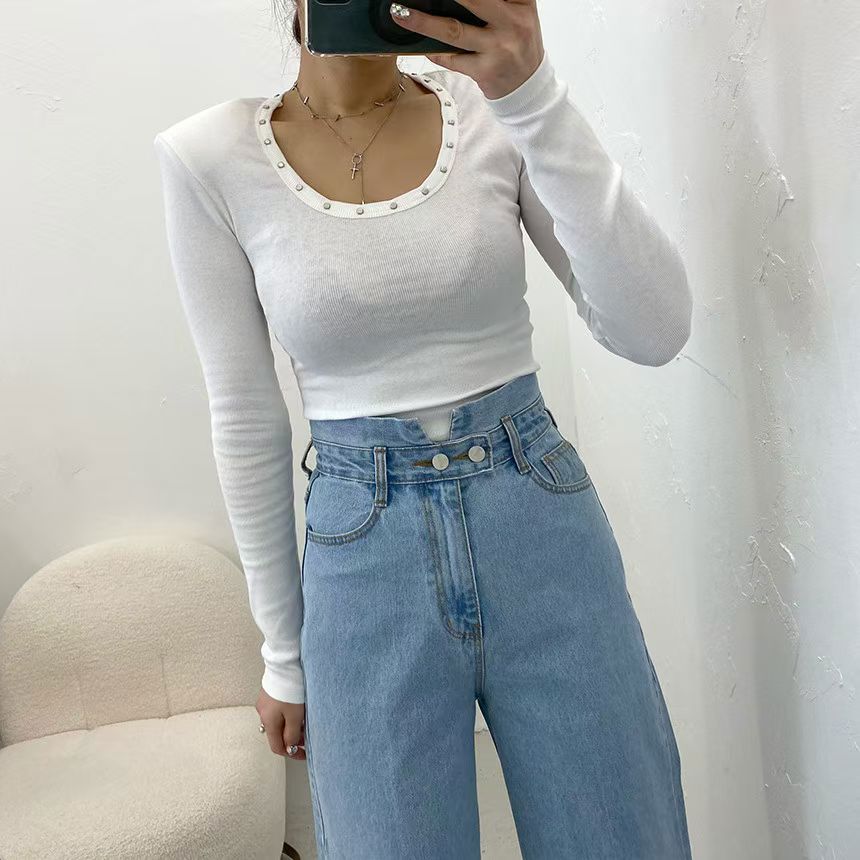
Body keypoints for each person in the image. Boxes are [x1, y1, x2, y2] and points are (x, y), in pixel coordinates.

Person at [153, 0, 694, 856]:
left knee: (621, 837)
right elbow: (247, 418)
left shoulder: (494, 108)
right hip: (362, 558)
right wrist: (282, 654)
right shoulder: (207, 157)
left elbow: (653, 329)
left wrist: (532, 95)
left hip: (539, 521)